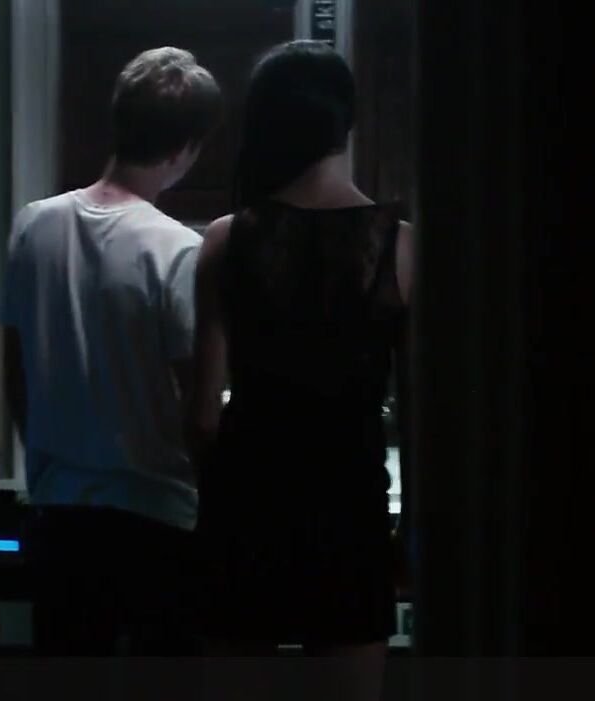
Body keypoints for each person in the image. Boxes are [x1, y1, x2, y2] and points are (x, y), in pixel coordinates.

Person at [187, 40, 414, 699]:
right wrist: (411, 534)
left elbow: (201, 419)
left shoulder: (227, 239)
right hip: (349, 508)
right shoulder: (399, 247)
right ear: (347, 124)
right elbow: (423, 418)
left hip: (247, 505)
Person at [1, 47, 223, 655]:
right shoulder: (177, 248)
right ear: (184, 149)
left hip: (60, 512)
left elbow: (15, 369)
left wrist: (43, 462)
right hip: (157, 516)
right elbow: (197, 402)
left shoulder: (32, 225)